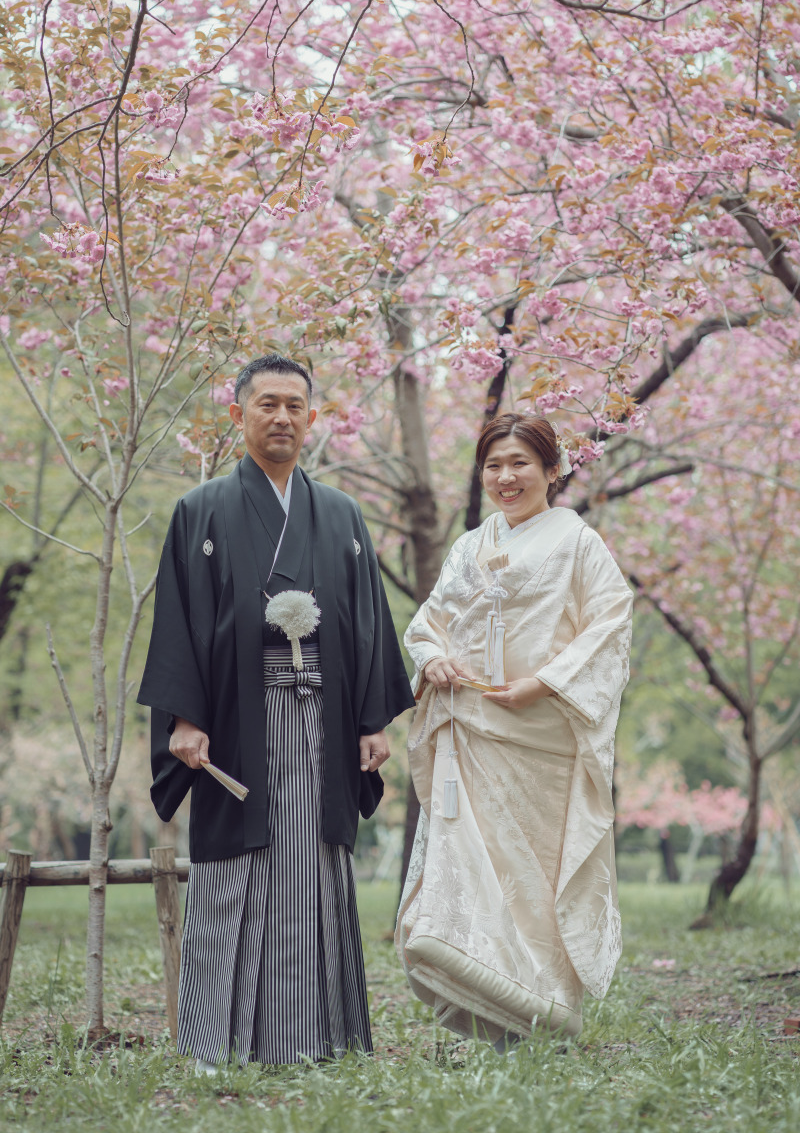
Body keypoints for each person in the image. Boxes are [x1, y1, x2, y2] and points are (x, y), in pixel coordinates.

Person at [138, 353, 414, 1070]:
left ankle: (310, 1037)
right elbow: (180, 621)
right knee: (234, 868)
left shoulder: (343, 516)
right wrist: (184, 718)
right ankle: (215, 1041)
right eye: (267, 404)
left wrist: (371, 720)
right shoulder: (200, 510)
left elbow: (366, 625)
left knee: (311, 865)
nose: (282, 417)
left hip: (322, 719)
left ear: (313, 418)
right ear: (238, 414)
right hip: (235, 717)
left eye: (295, 405)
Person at [395, 413, 632, 1046]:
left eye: (521, 463)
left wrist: (546, 682)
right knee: (474, 861)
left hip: (541, 734)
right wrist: (433, 658)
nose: (506, 477)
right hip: (470, 728)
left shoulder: (579, 543)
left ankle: (548, 1008)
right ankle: (483, 1001)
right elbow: (426, 624)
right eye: (494, 465)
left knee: (534, 877)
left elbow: (609, 622)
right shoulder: (469, 546)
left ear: (552, 471)